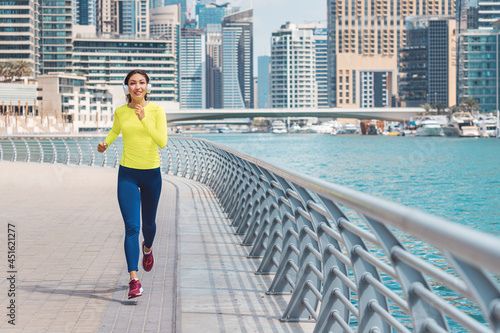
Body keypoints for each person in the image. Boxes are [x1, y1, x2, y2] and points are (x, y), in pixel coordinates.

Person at [97, 69, 167, 299]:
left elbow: (162, 142)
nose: (137, 87)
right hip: (127, 174)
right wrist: (105, 143)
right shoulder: (120, 112)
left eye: (142, 82)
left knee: (148, 225)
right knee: (131, 227)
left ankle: (148, 248)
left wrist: (143, 118)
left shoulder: (157, 110)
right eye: (133, 83)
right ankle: (134, 280)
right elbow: (116, 130)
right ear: (127, 87)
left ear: (148, 85)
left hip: (151, 175)